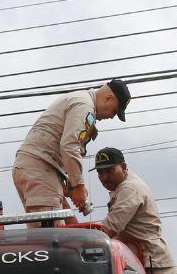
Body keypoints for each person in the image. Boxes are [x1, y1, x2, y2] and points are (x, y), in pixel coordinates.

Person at [12, 79, 132, 221]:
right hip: (40, 168)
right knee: (52, 238)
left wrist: (70, 183)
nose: (112, 116)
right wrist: (79, 185)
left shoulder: (83, 102)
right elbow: (70, 145)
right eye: (115, 110)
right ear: (108, 98)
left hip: (40, 167)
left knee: (58, 231)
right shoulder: (84, 105)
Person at [92, 147, 177, 274]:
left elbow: (107, 230)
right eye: (100, 172)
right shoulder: (121, 187)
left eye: (109, 171)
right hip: (139, 264)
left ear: (123, 167)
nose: (104, 177)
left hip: (156, 269)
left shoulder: (130, 189)